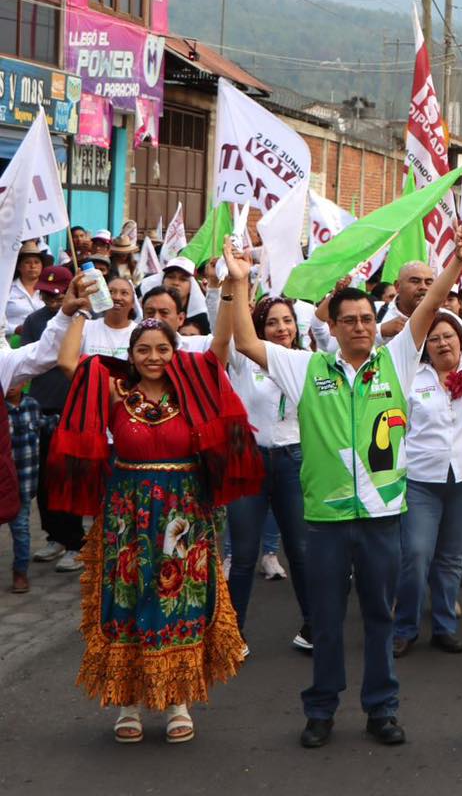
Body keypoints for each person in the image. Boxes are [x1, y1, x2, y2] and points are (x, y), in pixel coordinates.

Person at [222, 238, 457, 750]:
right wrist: (239, 281)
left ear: (377, 324)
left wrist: (459, 260)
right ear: (332, 326)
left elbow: (432, 301)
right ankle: (322, 710)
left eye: (366, 319)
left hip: (381, 518)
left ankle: (382, 709)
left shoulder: (396, 359)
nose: (358, 327)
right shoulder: (306, 368)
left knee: (379, 617)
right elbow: (245, 342)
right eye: (348, 320)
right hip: (325, 521)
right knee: (327, 621)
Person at [51, 275, 262, 745]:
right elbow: (68, 362)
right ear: (131, 355)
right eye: (143, 350)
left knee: (177, 602)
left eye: (162, 350)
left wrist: (234, 284)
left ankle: (178, 701)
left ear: (176, 351)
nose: (153, 358)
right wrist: (77, 310)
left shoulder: (196, 388)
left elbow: (223, 340)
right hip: (127, 517)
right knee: (126, 601)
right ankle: (127, 703)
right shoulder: (112, 392)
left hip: (183, 516)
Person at [392, 250, 462, 659]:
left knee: (452, 556)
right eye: (433, 338)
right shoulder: (409, 377)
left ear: (460, 339)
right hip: (421, 480)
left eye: (448, 336)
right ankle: (404, 627)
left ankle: (444, 626)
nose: (441, 342)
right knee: (416, 554)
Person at [210, 294, 311, 653]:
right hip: (247, 461)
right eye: (272, 322)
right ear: (258, 327)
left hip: (294, 461)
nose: (281, 328)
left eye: (287, 321)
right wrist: (227, 289)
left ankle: (313, 627)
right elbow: (219, 333)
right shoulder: (241, 358)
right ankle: (233, 633)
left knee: (299, 549)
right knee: (243, 552)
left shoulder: (306, 361)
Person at [20, 266, 87, 573]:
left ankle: (76, 542)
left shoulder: (84, 320)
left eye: (59, 294)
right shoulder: (34, 322)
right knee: (44, 481)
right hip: (41, 409)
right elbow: (32, 359)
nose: (53, 301)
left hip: (73, 410)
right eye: (47, 295)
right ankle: (54, 536)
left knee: (68, 480)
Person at [5, 382, 45, 594]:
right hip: (3, 484)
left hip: (24, 485)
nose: (11, 386)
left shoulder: (32, 405)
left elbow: (45, 425)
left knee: (20, 530)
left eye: (16, 380)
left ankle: (20, 571)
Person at [8, 239, 47, 334]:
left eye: (37, 262)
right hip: (11, 342)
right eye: (27, 262)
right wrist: (15, 329)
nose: (32, 266)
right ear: (19, 266)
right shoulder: (7, 289)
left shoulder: (48, 289)